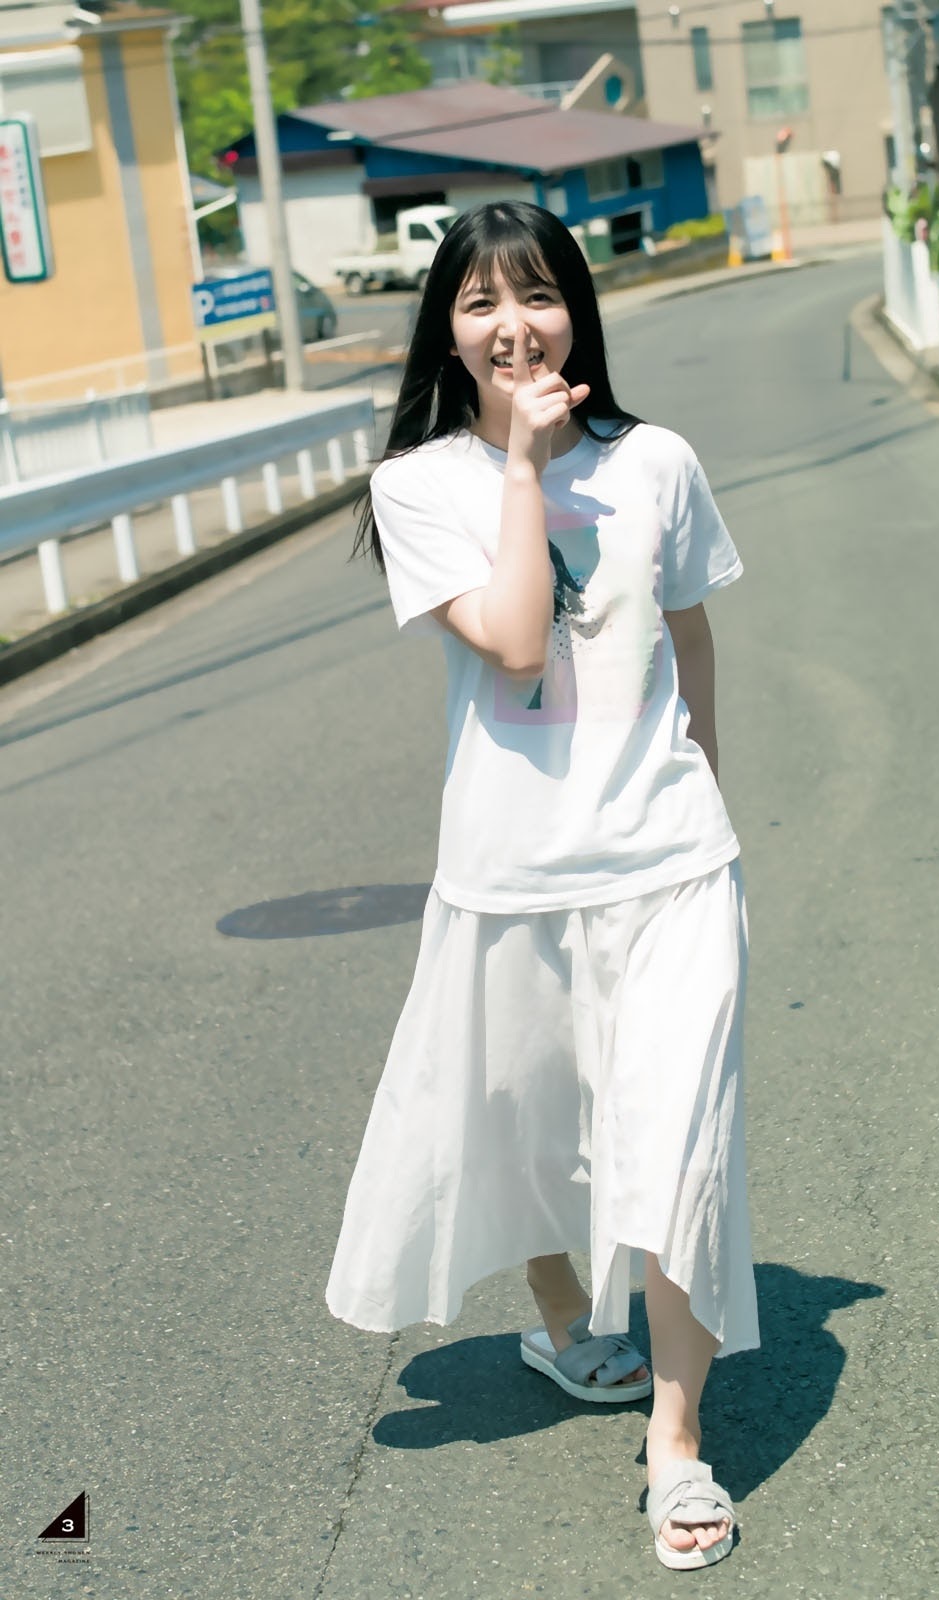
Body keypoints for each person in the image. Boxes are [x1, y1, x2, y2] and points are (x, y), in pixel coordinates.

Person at [326, 201, 759, 1571]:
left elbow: (690, 634)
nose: (515, 326)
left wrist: (700, 788)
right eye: (480, 304)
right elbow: (517, 644)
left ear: (577, 308)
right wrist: (522, 464)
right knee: (528, 1122)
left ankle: (677, 1444)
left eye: (538, 295)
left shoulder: (658, 462)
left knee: (682, 1149)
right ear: (446, 333)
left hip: (672, 864)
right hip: (510, 873)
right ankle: (569, 1322)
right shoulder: (419, 486)